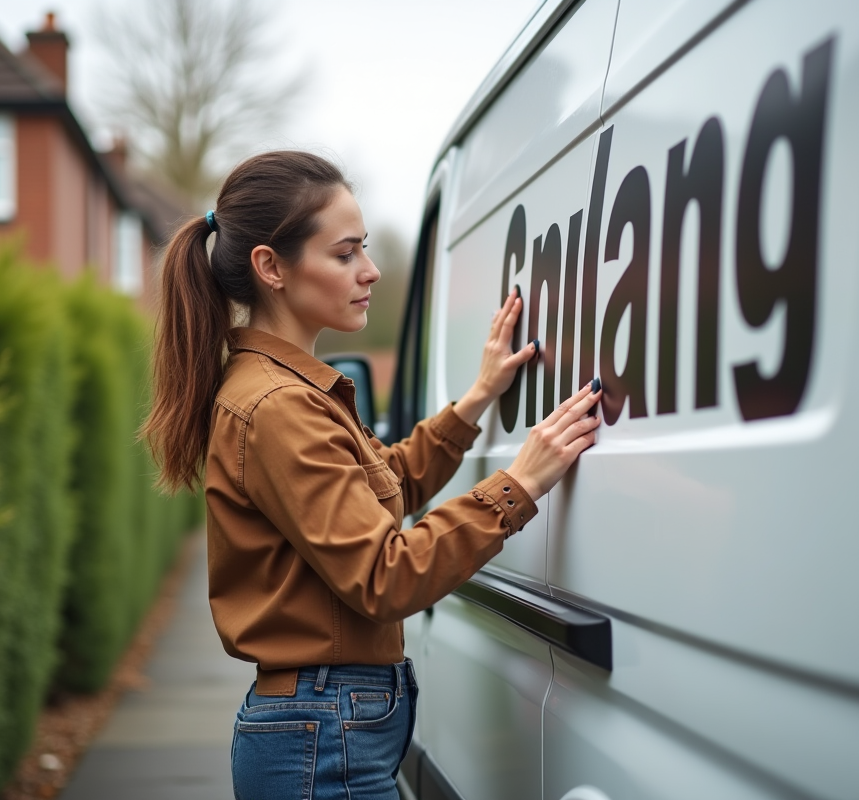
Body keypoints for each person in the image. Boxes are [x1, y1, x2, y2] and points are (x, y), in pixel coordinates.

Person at [142, 150, 602, 800]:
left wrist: (476, 400)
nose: (371, 269)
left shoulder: (291, 391)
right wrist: (516, 487)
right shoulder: (277, 407)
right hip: (324, 741)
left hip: (328, 730)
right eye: (345, 253)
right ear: (271, 267)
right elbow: (385, 574)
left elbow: (385, 484)